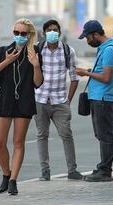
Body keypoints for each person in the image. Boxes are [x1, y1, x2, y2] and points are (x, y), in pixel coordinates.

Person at [0, 18, 44, 195]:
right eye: (16, 33)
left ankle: (13, 180)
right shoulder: (4, 51)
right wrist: (7, 61)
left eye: (23, 34)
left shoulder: (35, 53)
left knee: (18, 142)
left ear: (30, 35)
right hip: (5, 100)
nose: (19, 36)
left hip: (24, 101)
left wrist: (36, 66)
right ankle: (5, 173)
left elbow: (37, 83)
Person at [33, 19, 82, 181]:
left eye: (55, 30)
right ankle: (44, 171)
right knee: (42, 135)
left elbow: (74, 78)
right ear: (43, 33)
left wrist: (68, 100)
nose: (52, 33)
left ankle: (72, 170)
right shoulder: (38, 50)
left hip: (60, 101)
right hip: (40, 99)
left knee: (66, 134)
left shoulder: (68, 51)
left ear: (60, 33)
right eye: (49, 30)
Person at [75, 20, 113, 182]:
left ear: (96, 34)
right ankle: (103, 167)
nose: (88, 41)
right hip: (98, 97)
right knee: (102, 134)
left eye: (88, 37)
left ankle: (105, 170)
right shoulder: (105, 48)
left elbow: (107, 77)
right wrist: (90, 71)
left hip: (103, 98)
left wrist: (86, 74)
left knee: (106, 135)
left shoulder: (108, 50)